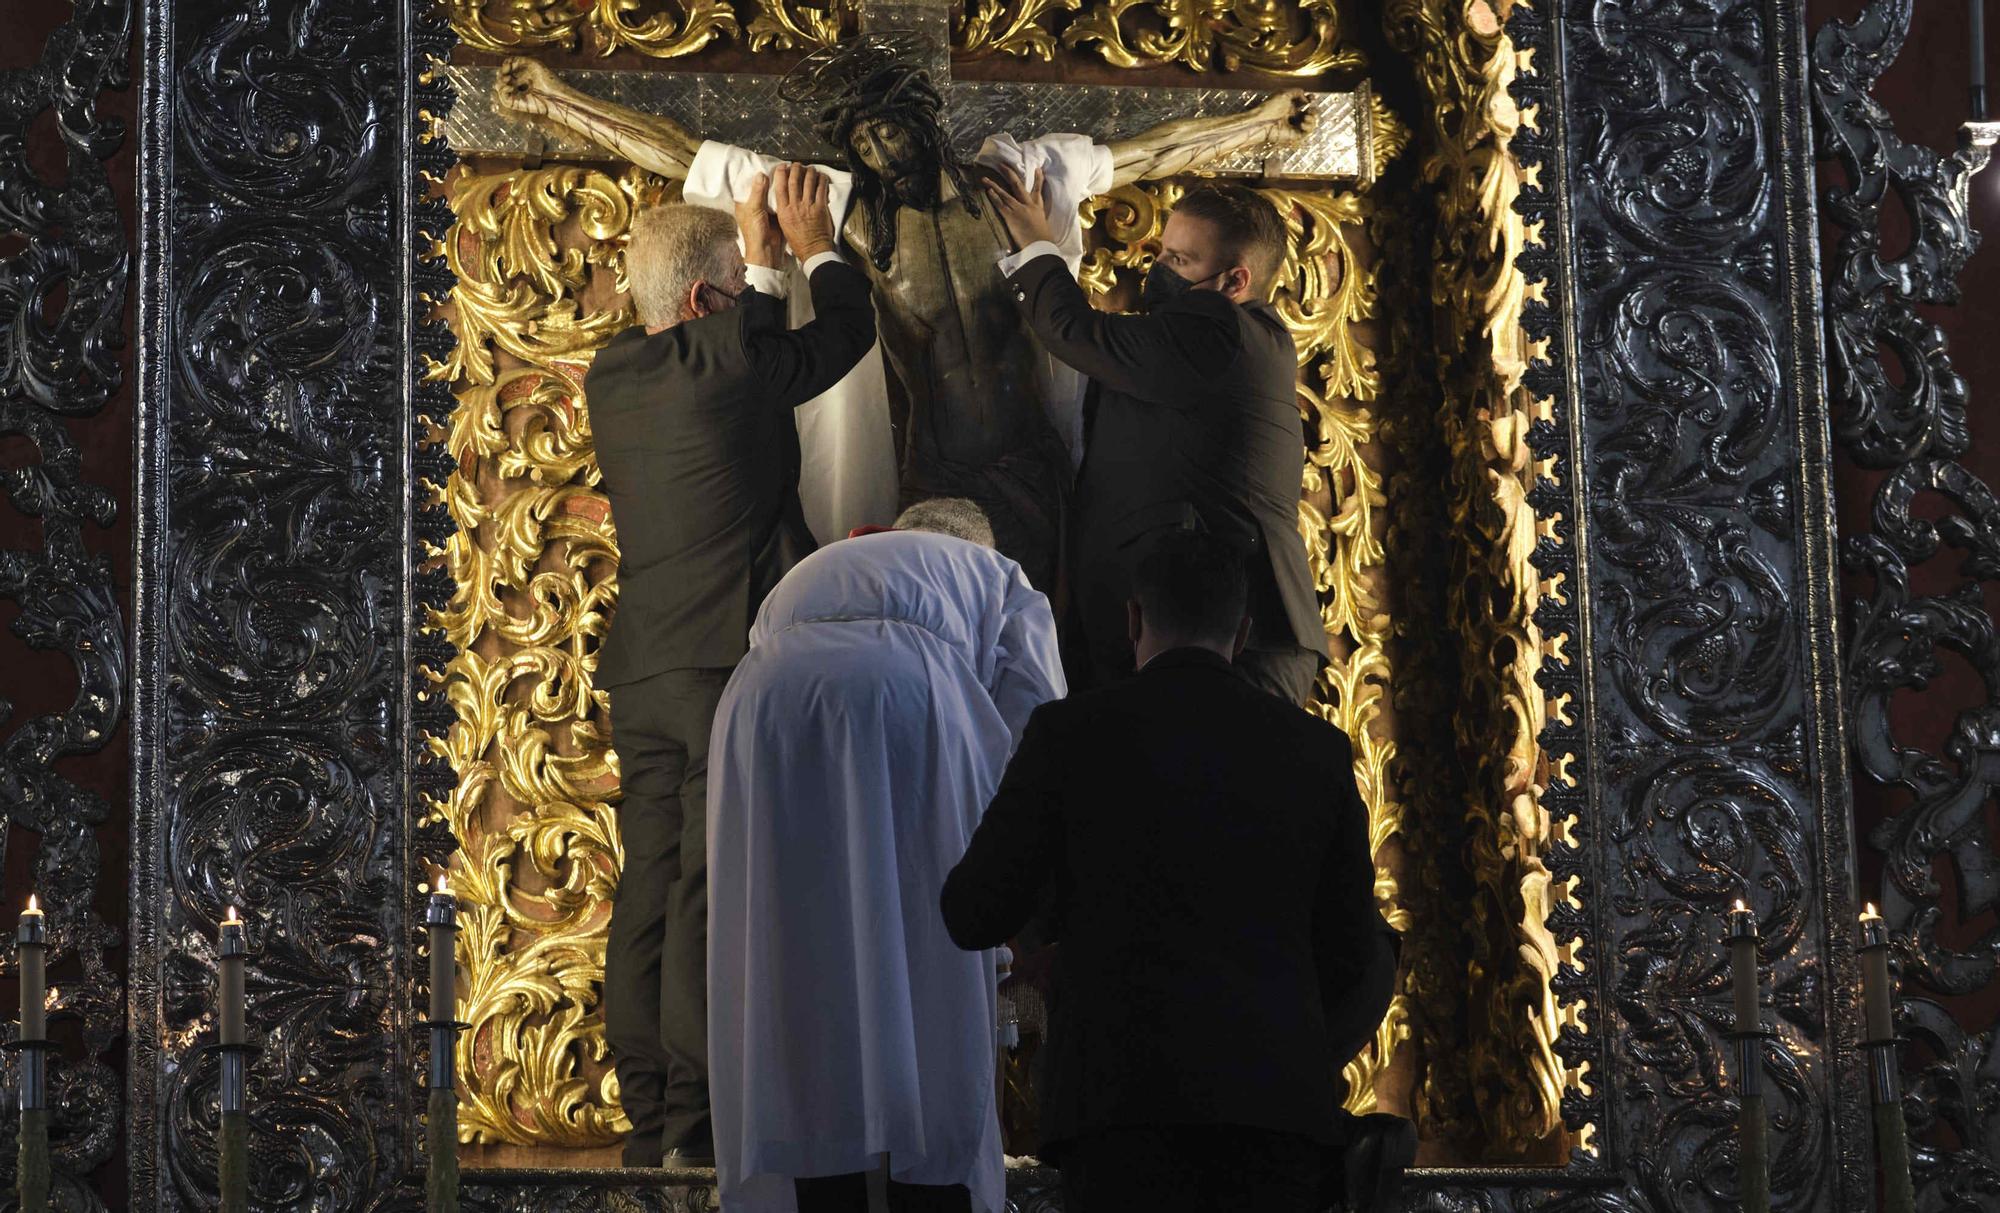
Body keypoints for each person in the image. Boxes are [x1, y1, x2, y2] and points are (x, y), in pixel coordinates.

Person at [496, 41, 1313, 585]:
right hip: (936, 477)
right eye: (864, 143)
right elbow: (684, 155)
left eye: (889, 133)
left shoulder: (1015, 183)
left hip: (1034, 469)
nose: (881, 155)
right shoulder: (843, 211)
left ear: (922, 125)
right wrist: (557, 103)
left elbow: (1147, 151)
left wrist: (1261, 123)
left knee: (1037, 670)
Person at [939, 530, 1406, 1213]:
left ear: (1134, 619)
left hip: (1118, 1114)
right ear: (1243, 632)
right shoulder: (1319, 752)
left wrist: (1076, 953)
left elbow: (973, 910)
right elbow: (1348, 952)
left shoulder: (1068, 734)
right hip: (1274, 1116)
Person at [586, 163, 877, 1169]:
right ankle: (696, 1129)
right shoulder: (734, 365)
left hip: (643, 674)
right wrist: (809, 248)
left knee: (648, 887)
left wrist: (750, 267)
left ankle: (643, 1115)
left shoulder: (612, 375)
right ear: (709, 302)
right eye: (743, 293)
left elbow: (738, 344)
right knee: (707, 890)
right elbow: (845, 334)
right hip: (719, 671)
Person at [705, 498, 1066, 1213]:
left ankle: (823, 1184)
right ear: (975, 542)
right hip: (905, 689)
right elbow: (1040, 731)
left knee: (800, 978)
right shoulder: (998, 574)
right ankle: (931, 1189)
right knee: (929, 967)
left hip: (761, 705)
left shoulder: (817, 571)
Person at [985, 171, 1332, 705]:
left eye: (1179, 260)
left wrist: (1036, 242)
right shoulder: (1229, 342)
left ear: (1234, 281)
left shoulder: (1222, 332)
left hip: (1232, 640)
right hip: (1194, 633)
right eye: (1162, 251)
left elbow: (1075, 332)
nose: (1157, 268)